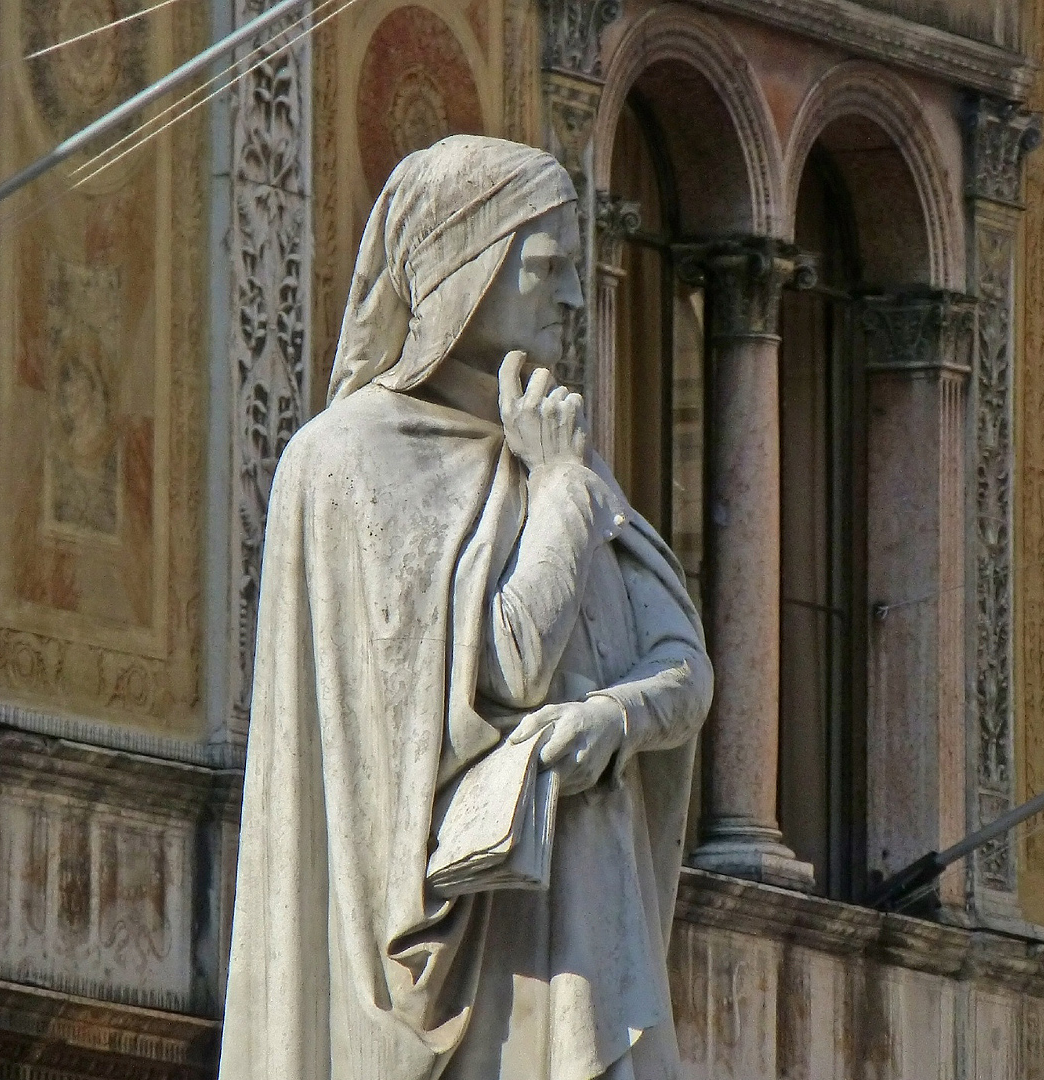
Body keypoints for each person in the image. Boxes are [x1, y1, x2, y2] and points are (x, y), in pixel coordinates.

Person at [219, 135, 711, 1080]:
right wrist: (560, 490)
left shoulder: (562, 456)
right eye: (550, 266)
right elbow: (510, 669)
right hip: (475, 943)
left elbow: (684, 665)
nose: (574, 298)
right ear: (466, 271)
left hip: (585, 914)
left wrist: (612, 719)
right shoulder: (351, 460)